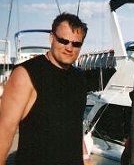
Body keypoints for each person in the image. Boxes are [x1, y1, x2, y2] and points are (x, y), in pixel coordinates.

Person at [0, 12, 100, 165]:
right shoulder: (25, 74)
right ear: (51, 38)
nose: (69, 48)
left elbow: (72, 125)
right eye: (63, 41)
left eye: (76, 44)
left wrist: (85, 157)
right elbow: (5, 129)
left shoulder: (78, 78)